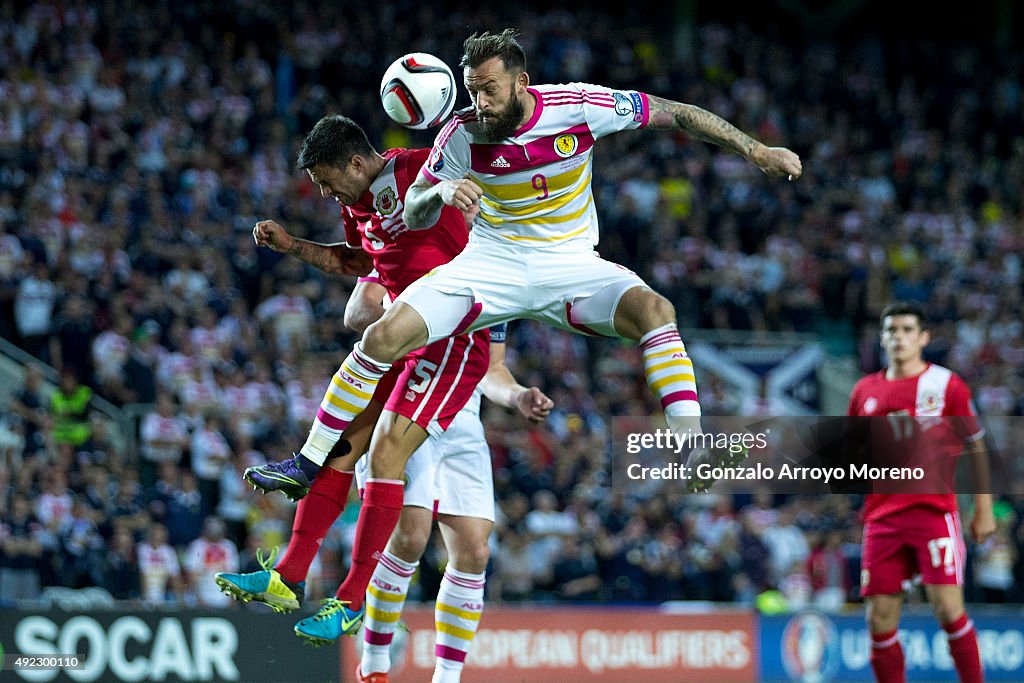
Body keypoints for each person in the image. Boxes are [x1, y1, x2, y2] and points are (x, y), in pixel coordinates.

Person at [247, 26, 799, 615]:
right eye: (470, 90)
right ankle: (308, 471)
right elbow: (413, 206)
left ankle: (689, 442)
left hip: (569, 265)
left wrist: (756, 151)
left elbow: (677, 113)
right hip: (493, 264)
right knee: (379, 336)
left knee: (655, 311)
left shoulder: (581, 106)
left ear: (521, 83)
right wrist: (445, 192)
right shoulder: (460, 133)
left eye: (488, 91)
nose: (478, 104)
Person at [228, 115, 551, 660]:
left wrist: (450, 185)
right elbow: (358, 261)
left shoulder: (418, 167)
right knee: (343, 449)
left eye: (329, 180)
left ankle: (353, 601)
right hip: (405, 338)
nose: (326, 192)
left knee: (384, 460)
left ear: (356, 161)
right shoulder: (356, 204)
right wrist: (292, 245)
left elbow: (461, 178)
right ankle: (288, 574)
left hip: (451, 340)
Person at [848, 301, 996, 683]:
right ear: (881, 339)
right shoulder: (864, 391)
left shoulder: (947, 385)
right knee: (879, 620)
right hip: (881, 519)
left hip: (933, 514)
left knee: (948, 610)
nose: (899, 337)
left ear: (924, 337)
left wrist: (984, 509)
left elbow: (975, 445)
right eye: (891, 330)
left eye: (907, 330)